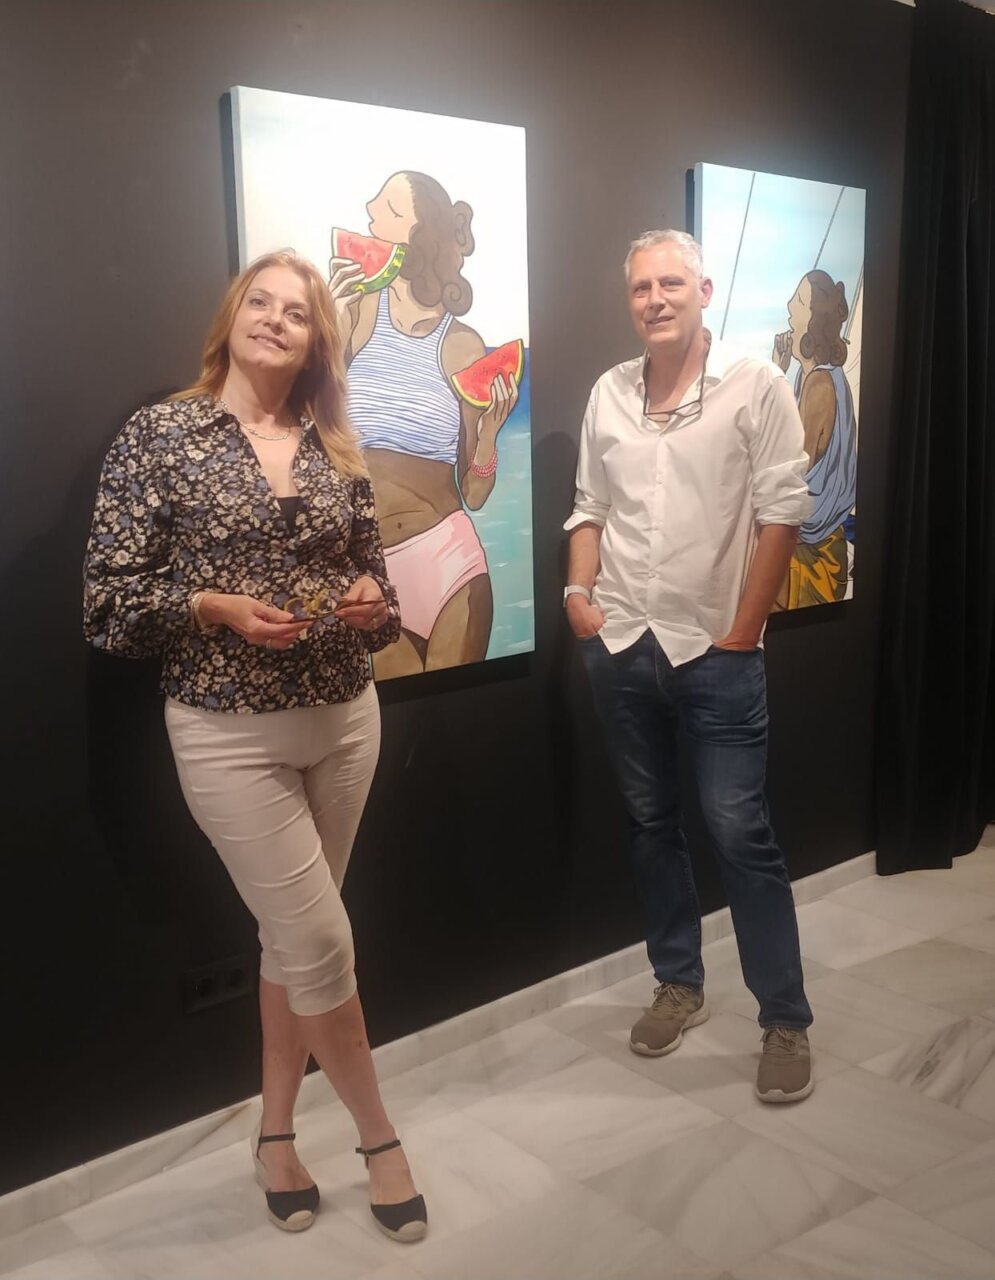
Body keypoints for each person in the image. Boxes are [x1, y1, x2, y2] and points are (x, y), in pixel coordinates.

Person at [83, 250, 428, 1241]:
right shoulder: (161, 435)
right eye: (259, 301)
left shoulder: (334, 443)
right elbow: (106, 604)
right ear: (232, 317)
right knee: (321, 941)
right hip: (226, 733)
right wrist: (209, 606)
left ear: (317, 340)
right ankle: (378, 1137)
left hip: (346, 718)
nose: (275, 318)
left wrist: (370, 603)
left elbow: (377, 582)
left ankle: (276, 1133)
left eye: (296, 311)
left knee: (292, 942)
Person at [564, 229, 816, 1102]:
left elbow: (783, 511)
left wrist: (745, 628)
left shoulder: (754, 385)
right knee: (650, 824)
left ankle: (784, 1018)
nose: (655, 299)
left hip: (715, 652)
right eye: (641, 287)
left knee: (739, 832)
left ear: (702, 291)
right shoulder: (608, 392)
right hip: (621, 646)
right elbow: (589, 505)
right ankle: (678, 982)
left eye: (670, 283)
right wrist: (576, 594)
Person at [330, 170, 518, 678]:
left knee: (461, 717)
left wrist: (490, 436)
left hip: (450, 558)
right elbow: (313, 432)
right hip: (371, 572)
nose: (370, 212)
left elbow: (475, 494)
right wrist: (329, 328)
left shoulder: (462, 345)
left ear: (421, 236)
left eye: (389, 209)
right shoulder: (355, 315)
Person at [773, 269, 858, 608]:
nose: (789, 307)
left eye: (799, 301)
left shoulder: (820, 385)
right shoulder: (806, 377)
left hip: (813, 556)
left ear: (814, 321)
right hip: (805, 538)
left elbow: (790, 467)